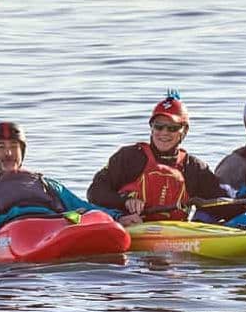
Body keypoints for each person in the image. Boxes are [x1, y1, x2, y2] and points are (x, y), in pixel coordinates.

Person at [87, 90, 229, 226]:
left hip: (177, 232)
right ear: (152, 128)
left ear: (184, 130)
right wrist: (125, 201)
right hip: (129, 224)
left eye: (172, 128)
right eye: (159, 127)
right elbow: (95, 192)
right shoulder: (129, 157)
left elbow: (223, 205)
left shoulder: (194, 167)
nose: (164, 133)